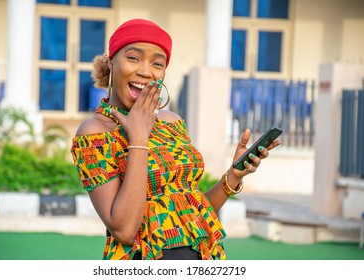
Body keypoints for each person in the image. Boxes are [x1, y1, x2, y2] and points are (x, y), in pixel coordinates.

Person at [70, 18, 280, 260]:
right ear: (111, 61)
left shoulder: (172, 122)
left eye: (157, 63)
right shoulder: (94, 133)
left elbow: (192, 212)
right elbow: (124, 230)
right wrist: (138, 136)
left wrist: (233, 176)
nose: (146, 71)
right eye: (133, 58)